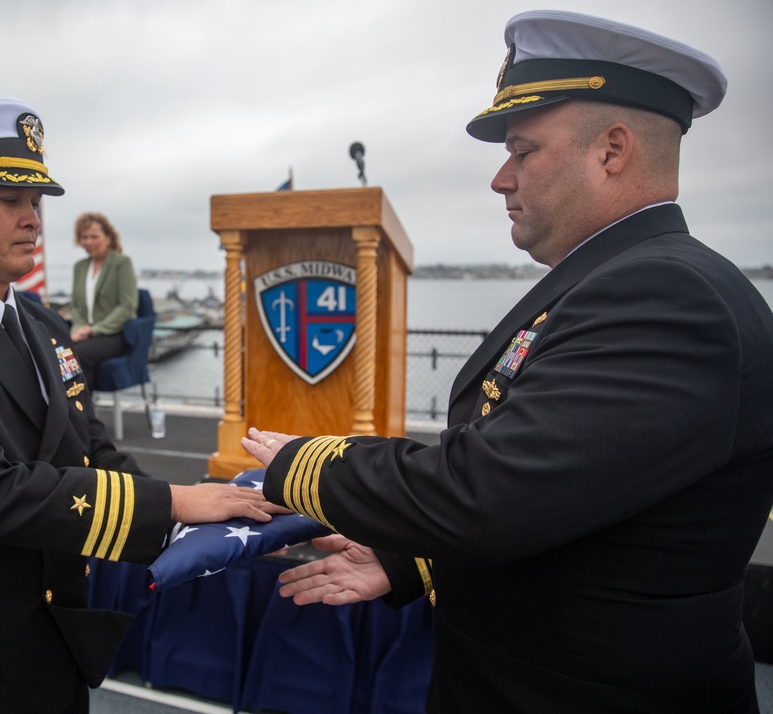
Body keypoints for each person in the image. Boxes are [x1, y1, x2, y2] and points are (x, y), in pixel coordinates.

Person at [242, 11, 773, 714]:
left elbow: (488, 492)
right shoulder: (624, 280)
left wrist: (304, 465)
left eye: (523, 151)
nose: (501, 178)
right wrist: (413, 557)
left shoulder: (665, 295)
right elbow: (574, 499)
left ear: (613, 150)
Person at [0, 98, 284, 714]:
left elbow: (89, 448)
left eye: (36, 202)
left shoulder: (42, 323)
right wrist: (175, 502)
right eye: (8, 200)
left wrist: (223, 520)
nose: (32, 219)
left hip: (56, 648)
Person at [68, 212, 138, 387]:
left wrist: (93, 331)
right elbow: (75, 306)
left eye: (94, 236)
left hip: (114, 334)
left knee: (78, 354)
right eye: (84, 237)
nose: (88, 242)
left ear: (107, 237)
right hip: (84, 332)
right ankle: (63, 408)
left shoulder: (121, 263)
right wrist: (78, 329)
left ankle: (83, 410)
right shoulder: (79, 267)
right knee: (57, 351)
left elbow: (127, 306)